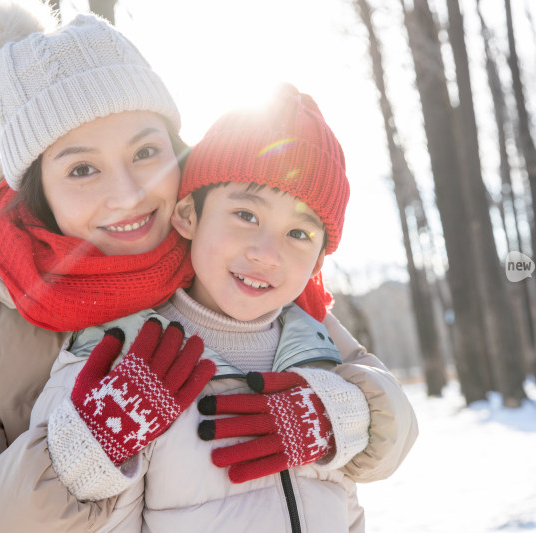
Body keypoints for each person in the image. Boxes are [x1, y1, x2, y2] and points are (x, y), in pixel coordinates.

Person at [0, 3, 386, 531]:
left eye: (146, 152)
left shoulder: (225, 253)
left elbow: (375, 403)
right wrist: (77, 456)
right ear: (37, 191)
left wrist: (344, 417)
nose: (128, 195)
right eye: (82, 168)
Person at [31, 84, 418, 532]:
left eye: (299, 234)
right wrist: (90, 455)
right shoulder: (124, 352)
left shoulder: (320, 350)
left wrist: (347, 419)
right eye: (246, 216)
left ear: (319, 262)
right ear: (188, 216)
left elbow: (347, 501)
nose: (267, 254)